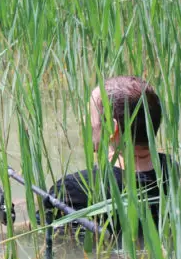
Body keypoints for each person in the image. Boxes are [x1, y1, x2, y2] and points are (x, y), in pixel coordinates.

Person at [39, 76, 174, 232]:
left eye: (90, 115)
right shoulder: (175, 176)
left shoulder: (74, 189)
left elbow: (42, 235)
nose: (85, 121)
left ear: (111, 128)